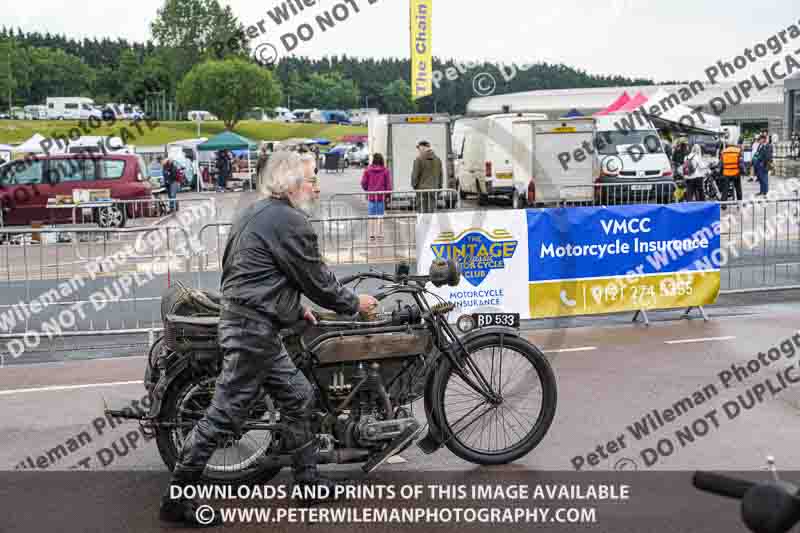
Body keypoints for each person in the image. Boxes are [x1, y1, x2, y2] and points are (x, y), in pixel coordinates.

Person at [159, 151, 379, 527]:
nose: (316, 186)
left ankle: (308, 484)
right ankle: (176, 499)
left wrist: (293, 308)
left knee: (299, 397)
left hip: (251, 324)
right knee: (224, 415)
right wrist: (354, 303)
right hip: (253, 331)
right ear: (291, 183)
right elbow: (316, 280)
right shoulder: (291, 220)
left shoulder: (256, 212)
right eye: (311, 179)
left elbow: (256, 274)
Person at [361, 153, 392, 242]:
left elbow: (363, 183)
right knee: (380, 216)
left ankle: (372, 234)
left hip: (371, 196)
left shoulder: (367, 170)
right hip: (381, 197)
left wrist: (367, 189)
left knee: (371, 216)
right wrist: (388, 195)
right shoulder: (385, 171)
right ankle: (380, 234)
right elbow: (388, 185)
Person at [411, 141, 443, 214]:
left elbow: (415, 176)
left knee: (422, 213)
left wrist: (415, 186)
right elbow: (441, 176)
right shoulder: (438, 160)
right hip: (434, 190)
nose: (418, 150)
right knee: (431, 213)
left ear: (423, 148)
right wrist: (439, 188)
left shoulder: (419, 159)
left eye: (419, 148)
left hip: (422, 191)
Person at [719, 142, 746, 207]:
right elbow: (741, 163)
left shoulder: (724, 152)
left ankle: (723, 204)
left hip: (726, 173)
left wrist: (721, 172)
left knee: (725, 189)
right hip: (736, 173)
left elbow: (721, 164)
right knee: (738, 189)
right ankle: (739, 203)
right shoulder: (738, 151)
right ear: (734, 145)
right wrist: (743, 172)